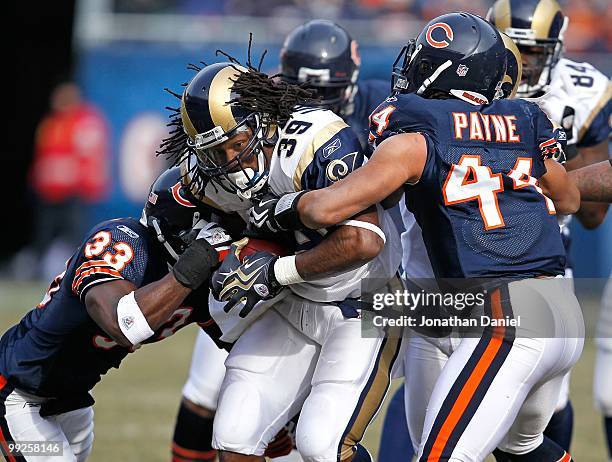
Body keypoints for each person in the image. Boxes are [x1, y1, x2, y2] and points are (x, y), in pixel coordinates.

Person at [246, 12, 585, 461]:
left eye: (425, 60)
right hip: (556, 307)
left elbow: (330, 206)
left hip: (506, 317)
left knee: (440, 455)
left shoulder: (415, 130)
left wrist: (284, 206)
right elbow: (568, 200)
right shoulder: (524, 117)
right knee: (521, 449)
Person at [170, 20, 403, 462]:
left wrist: (276, 270)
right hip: (294, 301)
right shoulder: (205, 173)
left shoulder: (313, 138)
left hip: (364, 300)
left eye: (235, 145)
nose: (227, 162)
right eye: (212, 152)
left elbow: (364, 239)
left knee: (322, 446)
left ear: (262, 123)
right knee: (235, 434)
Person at [0, 168, 228, 462]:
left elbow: (233, 341)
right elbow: (124, 323)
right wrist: (190, 269)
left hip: (73, 399)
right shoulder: (121, 241)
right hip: (18, 392)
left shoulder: (192, 283)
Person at [487, 0, 611, 452]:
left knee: (544, 403)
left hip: (541, 260)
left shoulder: (580, 93)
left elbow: (593, 216)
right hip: (454, 256)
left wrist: (557, 149)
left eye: (533, 54)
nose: (521, 67)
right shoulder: (458, 85)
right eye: (512, 52)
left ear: (556, 50)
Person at [25, 81, 110, 280]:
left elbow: (92, 157)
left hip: (74, 191)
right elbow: (44, 156)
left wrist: (89, 183)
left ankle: (78, 272)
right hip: (49, 191)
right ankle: (37, 271)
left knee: (75, 235)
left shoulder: (85, 122)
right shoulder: (51, 124)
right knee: (43, 236)